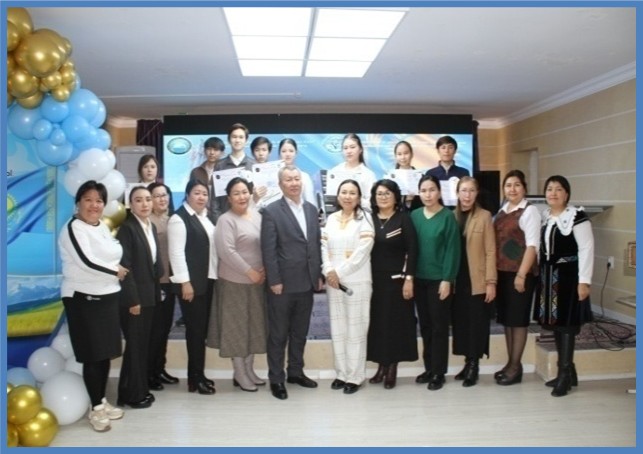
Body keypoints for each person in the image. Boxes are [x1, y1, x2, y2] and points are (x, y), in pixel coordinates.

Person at [58, 180, 128, 432]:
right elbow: (87, 261)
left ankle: (101, 400)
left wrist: (112, 270)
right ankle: (96, 409)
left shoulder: (100, 226)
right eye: (88, 199)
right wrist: (115, 270)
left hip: (107, 296)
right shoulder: (73, 228)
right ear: (78, 202)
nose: (94, 205)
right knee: (92, 355)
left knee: (105, 353)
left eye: (99, 200)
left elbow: (112, 251)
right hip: (83, 299)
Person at [260, 165, 323, 400]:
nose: (294, 183)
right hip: (282, 285)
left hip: (307, 282)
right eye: (289, 180)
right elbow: (268, 250)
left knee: (300, 332)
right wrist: (274, 280)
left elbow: (315, 245)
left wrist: (318, 274)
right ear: (280, 185)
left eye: (297, 178)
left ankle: (295, 372)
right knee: (278, 334)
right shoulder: (271, 211)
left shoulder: (311, 209)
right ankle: (276, 379)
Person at [535, 175, 594, 397]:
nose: (553, 193)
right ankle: (568, 372)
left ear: (566, 193)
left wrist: (584, 281)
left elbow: (587, 248)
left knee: (567, 325)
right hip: (549, 277)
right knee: (558, 325)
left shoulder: (577, 217)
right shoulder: (546, 216)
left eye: (558, 189)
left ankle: (564, 373)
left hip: (569, 277)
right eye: (549, 189)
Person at [210, 177, 267, 392]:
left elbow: (265, 243)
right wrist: (250, 272)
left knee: (253, 328)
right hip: (234, 283)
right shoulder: (225, 220)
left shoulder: (257, 215)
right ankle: (239, 373)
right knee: (237, 330)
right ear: (229, 198)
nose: (242, 196)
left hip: (257, 283)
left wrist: (263, 269)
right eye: (236, 193)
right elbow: (227, 252)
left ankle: (249, 369)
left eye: (245, 192)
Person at [321, 179, 375, 394]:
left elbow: (362, 252)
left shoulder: (365, 219)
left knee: (356, 330)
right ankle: (341, 374)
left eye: (352, 193)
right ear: (338, 196)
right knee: (339, 329)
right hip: (333, 283)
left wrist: (338, 273)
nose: (347, 196)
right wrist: (328, 271)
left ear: (359, 197)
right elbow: (323, 246)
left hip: (357, 282)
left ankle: (355, 376)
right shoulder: (331, 219)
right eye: (344, 192)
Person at [366, 179, 418, 390]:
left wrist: (409, 279)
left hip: (397, 281)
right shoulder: (368, 219)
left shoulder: (403, 219)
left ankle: (392, 367)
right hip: (373, 281)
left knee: (395, 325)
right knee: (378, 325)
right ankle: (381, 365)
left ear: (396, 196)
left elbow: (413, 250)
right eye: (379, 193)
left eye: (387, 193)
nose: (383, 197)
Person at [167, 178, 217, 395]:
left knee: (200, 331)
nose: (201, 197)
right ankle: (195, 379)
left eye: (204, 194)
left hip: (207, 281)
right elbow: (176, 254)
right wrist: (185, 283)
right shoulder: (179, 219)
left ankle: (199, 375)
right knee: (195, 332)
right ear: (187, 195)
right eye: (197, 193)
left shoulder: (205, 217)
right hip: (191, 286)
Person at [411, 174, 460, 391]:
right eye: (423, 191)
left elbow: (452, 250)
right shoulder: (414, 216)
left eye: (432, 190)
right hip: (419, 279)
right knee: (426, 326)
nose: (428, 194)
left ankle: (439, 372)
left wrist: (447, 279)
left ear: (439, 192)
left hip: (439, 280)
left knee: (439, 327)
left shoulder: (447, 217)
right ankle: (429, 368)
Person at [116, 186, 162, 409]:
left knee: (141, 346)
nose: (144, 204)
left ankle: (135, 390)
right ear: (130, 204)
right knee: (135, 347)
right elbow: (125, 268)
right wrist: (132, 300)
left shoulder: (150, 226)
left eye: (147, 199)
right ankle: (132, 395)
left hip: (149, 296)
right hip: (134, 300)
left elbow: (153, 264)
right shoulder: (127, 228)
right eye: (138, 200)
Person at [493, 169, 540, 386]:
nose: (512, 189)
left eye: (517, 185)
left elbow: (532, 246)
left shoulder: (530, 212)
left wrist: (521, 274)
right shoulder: (503, 210)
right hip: (503, 273)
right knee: (508, 321)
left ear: (524, 188)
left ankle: (515, 367)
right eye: (508, 185)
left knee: (518, 321)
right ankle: (511, 363)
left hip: (520, 274)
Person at [451, 176, 497, 387]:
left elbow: (490, 250)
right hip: (457, 279)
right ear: (457, 193)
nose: (467, 195)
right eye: (463, 190)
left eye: (471, 190)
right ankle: (467, 362)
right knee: (461, 323)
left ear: (477, 193)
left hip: (477, 279)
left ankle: (474, 365)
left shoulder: (484, 216)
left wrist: (491, 282)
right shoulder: (451, 216)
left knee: (476, 323)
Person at [147, 182, 181, 390]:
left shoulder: (172, 220)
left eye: (165, 195)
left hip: (170, 282)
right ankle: (149, 373)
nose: (162, 199)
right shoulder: (147, 221)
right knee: (155, 331)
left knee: (164, 329)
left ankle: (160, 369)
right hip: (155, 283)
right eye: (157, 196)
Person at [212, 123, 255, 223]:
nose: (237, 140)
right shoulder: (220, 166)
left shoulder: (253, 165)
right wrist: (219, 222)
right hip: (225, 220)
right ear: (229, 140)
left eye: (241, 137)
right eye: (234, 137)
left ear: (246, 140)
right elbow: (214, 200)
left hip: (249, 220)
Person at [328, 133, 377, 212]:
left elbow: (372, 204)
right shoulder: (334, 172)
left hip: (361, 215)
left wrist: (356, 200)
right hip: (338, 215)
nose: (349, 151)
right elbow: (330, 200)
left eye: (352, 147)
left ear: (360, 149)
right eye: (345, 148)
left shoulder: (368, 174)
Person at [425, 136, 470, 208]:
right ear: (438, 150)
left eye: (450, 147)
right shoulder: (430, 173)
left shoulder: (464, 172)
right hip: (436, 211)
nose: (446, 151)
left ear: (455, 151)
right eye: (443, 147)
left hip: (458, 211)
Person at [189, 136, 225, 223]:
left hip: (222, 215)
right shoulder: (195, 172)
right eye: (209, 149)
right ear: (204, 151)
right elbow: (190, 195)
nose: (212, 152)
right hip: (200, 216)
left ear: (222, 153)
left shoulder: (225, 172)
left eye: (216, 150)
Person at [278, 138, 317, 208]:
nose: (287, 154)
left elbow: (310, 202)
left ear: (296, 153)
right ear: (279, 153)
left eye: (291, 151)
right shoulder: (274, 176)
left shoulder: (304, 176)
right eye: (284, 151)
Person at [250, 136, 282, 209]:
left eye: (264, 150)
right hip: (255, 211)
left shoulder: (278, 172)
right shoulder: (248, 175)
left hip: (275, 210)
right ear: (252, 153)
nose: (261, 153)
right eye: (257, 150)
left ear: (269, 152)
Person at [392, 140, 422, 211]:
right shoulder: (391, 178)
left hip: (415, 213)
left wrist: (413, 199)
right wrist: (403, 199)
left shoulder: (420, 176)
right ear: (395, 156)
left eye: (406, 153)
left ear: (412, 154)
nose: (403, 157)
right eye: (399, 154)